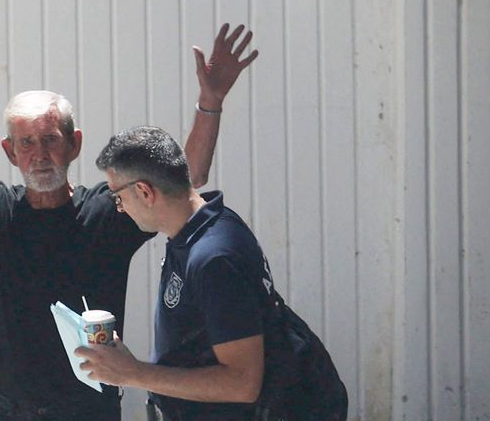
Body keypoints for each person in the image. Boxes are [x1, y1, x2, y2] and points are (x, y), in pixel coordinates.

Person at [0, 2, 258, 420]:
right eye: (26, 143)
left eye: (50, 140)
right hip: (11, 411)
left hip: (88, 410)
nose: (39, 155)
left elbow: (184, 180)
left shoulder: (109, 211)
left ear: (74, 144)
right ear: (10, 152)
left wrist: (210, 101)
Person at [77, 126, 347, 420]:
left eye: (118, 198)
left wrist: (133, 373)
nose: (119, 209)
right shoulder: (200, 228)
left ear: (144, 191)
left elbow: (242, 383)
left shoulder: (215, 258)